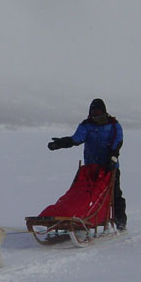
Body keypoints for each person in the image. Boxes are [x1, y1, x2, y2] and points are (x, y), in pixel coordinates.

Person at [48, 98, 127, 230]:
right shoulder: (86, 125)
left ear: (104, 111)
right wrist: (60, 143)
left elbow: (117, 143)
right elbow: (76, 139)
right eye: (93, 112)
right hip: (91, 168)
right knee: (84, 193)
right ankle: (80, 215)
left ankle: (120, 221)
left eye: (98, 112)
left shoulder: (114, 125)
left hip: (109, 167)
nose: (95, 115)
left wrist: (112, 158)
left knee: (115, 195)